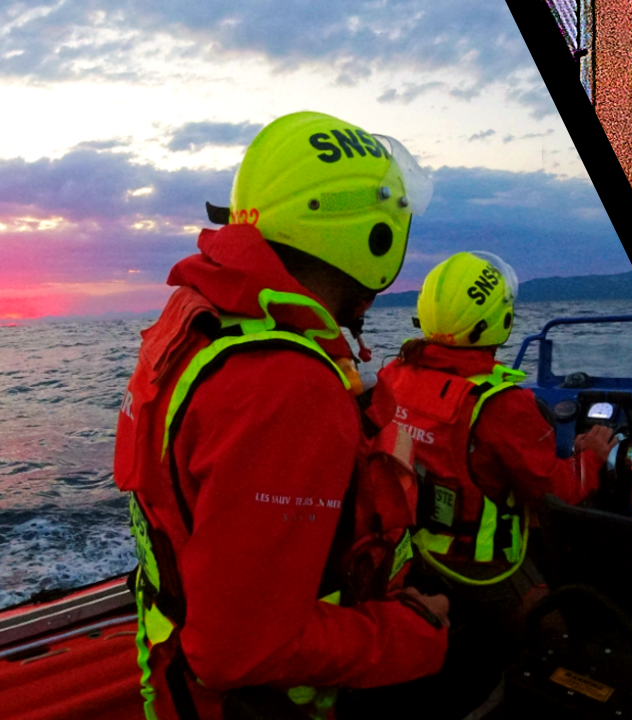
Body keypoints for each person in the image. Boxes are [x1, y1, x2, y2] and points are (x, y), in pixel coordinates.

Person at [113, 111, 449, 720]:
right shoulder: (288, 388)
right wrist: (410, 633)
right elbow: (237, 651)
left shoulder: (202, 323)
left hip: (177, 684)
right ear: (373, 240)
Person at [347, 251, 617, 719]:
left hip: (413, 554)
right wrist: (591, 454)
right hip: (483, 567)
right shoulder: (502, 404)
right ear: (501, 318)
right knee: (557, 638)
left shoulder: (396, 375)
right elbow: (557, 491)